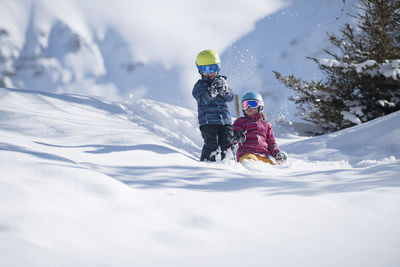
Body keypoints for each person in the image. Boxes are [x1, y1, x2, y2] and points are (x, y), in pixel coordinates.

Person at [192, 49, 235, 161]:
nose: (210, 72)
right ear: (200, 70)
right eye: (206, 69)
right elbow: (201, 100)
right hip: (208, 122)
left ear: (218, 68)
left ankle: (229, 162)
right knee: (212, 145)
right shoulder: (200, 85)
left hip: (225, 121)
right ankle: (207, 163)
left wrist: (225, 90)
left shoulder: (222, 82)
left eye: (213, 68)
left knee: (228, 144)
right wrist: (211, 92)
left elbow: (231, 97)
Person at [232, 92, 288, 164]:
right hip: (246, 154)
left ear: (260, 106)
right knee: (251, 163)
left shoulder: (266, 125)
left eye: (252, 104)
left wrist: (276, 153)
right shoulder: (240, 121)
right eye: (245, 105)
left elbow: (271, 142)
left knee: (272, 168)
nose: (249, 107)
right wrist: (236, 135)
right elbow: (231, 136)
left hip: (263, 156)